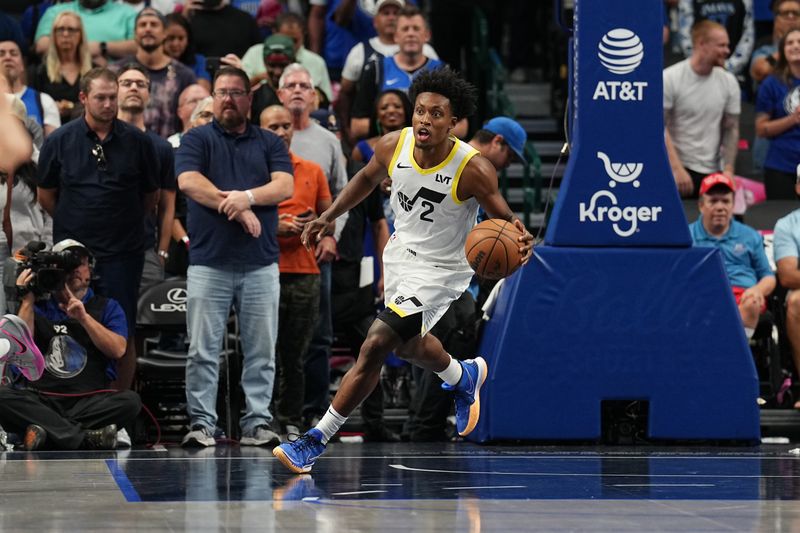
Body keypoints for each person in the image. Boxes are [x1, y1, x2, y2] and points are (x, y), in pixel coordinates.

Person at [273, 66, 534, 473]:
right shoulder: (394, 144)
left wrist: (522, 241)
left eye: (436, 114)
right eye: (420, 111)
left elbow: (505, 223)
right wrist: (328, 216)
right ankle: (462, 376)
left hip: (441, 270)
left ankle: (314, 439)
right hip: (399, 258)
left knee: (376, 343)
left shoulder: (474, 168)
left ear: (453, 123)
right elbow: (364, 178)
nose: (425, 120)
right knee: (406, 346)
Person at [175, 66, 293, 448]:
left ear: (249, 99)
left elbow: (284, 185)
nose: (228, 99)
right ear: (213, 98)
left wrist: (251, 198)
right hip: (209, 263)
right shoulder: (197, 139)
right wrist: (239, 208)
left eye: (236, 92)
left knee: (262, 350)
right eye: (221, 92)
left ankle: (257, 422)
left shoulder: (269, 142)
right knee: (202, 351)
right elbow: (189, 182)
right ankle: (202, 424)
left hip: (260, 263)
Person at [35, 67, 160, 390]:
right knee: (69, 323)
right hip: (73, 254)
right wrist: (75, 223)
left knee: (124, 330)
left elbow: (150, 196)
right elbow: (46, 195)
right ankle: (71, 402)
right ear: (83, 98)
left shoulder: (138, 142)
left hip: (123, 253)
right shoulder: (60, 140)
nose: (108, 104)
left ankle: (117, 410)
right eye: (100, 98)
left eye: (112, 98)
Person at [0, 240, 140, 450]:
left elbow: (118, 350)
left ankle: (49, 432)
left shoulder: (107, 307)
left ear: (90, 270)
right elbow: (21, 349)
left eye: (80, 263)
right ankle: (86, 438)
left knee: (130, 401)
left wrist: (84, 318)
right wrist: (27, 300)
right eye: (67, 264)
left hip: (88, 401)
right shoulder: (36, 306)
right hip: (41, 399)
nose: (75, 269)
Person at [275, 63, 348, 427]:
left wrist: (332, 235)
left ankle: (315, 411)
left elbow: (342, 195)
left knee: (318, 337)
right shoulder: (263, 141)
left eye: (305, 85)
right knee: (275, 341)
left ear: (315, 95)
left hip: (316, 252)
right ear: (280, 94)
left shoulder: (327, 141)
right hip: (273, 254)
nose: (299, 90)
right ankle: (276, 413)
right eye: (292, 85)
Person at [260, 104, 332, 437]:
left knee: (296, 354)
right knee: (264, 351)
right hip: (263, 270)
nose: (281, 132)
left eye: (286, 126)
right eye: (273, 126)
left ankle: (291, 417)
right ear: (260, 131)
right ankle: (261, 418)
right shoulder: (252, 170)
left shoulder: (314, 170)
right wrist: (277, 226)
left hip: (304, 272)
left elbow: (327, 219)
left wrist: (314, 228)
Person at [689, 173, 775, 341]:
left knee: (752, 303)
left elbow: (768, 276)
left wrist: (757, 290)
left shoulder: (749, 235)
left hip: (743, 294)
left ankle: (735, 348)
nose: (720, 207)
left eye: (726, 201)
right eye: (713, 201)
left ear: (733, 204)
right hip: (703, 295)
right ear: (701, 205)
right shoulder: (687, 236)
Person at [338, 0, 437, 144]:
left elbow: (459, 123)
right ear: (375, 21)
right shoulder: (366, 56)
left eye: (396, 13)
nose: (391, 17)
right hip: (382, 143)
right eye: (386, 13)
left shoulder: (430, 57)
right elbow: (346, 93)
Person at [116, 64, 176, 294]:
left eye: (140, 84)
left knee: (147, 325)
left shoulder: (161, 147)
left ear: (148, 94)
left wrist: (162, 252)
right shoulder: (100, 142)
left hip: (144, 252)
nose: (134, 88)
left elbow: (167, 206)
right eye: (126, 83)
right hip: (101, 248)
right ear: (115, 90)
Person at [664, 20, 740, 198]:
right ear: (701, 44)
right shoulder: (670, 78)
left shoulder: (729, 82)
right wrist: (676, 169)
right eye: (721, 45)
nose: (727, 51)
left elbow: (732, 128)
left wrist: (728, 170)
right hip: (677, 170)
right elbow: (658, 127)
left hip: (714, 170)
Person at [113, 7, 197, 138]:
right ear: (135, 34)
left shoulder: (184, 75)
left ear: (164, 33)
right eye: (142, 25)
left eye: (154, 24)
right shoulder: (116, 71)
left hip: (168, 151)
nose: (148, 29)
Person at [241, 12, 333, 103]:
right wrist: (260, 78)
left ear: (304, 34)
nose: (290, 45)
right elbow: (240, 89)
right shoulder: (254, 53)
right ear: (274, 32)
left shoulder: (316, 62)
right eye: (284, 38)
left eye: (294, 40)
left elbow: (326, 100)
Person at [755, 28, 800, 199]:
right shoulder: (771, 84)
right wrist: (793, 119)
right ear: (782, 51)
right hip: (781, 166)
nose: (795, 46)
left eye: (799, 42)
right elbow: (761, 129)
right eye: (790, 43)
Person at [29, 11, 93, 124]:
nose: (65, 34)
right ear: (53, 35)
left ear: (80, 34)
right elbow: (32, 107)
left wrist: (74, 108)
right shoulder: (39, 72)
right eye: (60, 29)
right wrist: (51, 108)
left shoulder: (94, 70)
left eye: (71, 29)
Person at [33, 0, 138, 63]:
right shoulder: (56, 11)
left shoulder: (126, 12)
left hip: (116, 79)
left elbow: (138, 46)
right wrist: (83, 52)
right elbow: (42, 46)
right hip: (62, 79)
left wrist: (102, 47)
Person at [677, 0, 755, 76]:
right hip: (699, 70)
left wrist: (730, 66)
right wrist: (701, 64)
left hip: (734, 71)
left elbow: (747, 36)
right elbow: (685, 35)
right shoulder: (687, 2)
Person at [1, 39, 61, 136]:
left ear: (22, 65)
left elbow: (53, 147)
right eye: (1, 54)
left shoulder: (44, 101)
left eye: (14, 53)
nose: (8, 57)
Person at [163, 13, 211, 90]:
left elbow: (203, 92)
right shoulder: (153, 62)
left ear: (188, 39)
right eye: (171, 38)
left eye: (181, 38)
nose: (176, 43)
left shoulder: (199, 61)